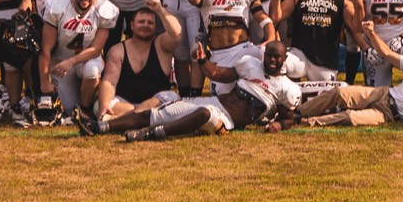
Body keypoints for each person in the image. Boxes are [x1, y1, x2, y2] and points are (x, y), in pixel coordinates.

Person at [123, 42, 308, 141]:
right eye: (269, 55)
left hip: (227, 122)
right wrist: (203, 61)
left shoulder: (288, 88)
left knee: (204, 114)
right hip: (217, 103)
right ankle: (101, 127)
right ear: (264, 54)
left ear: (284, 58)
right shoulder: (250, 64)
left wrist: (279, 125)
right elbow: (218, 74)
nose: (272, 60)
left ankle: (152, 134)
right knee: (158, 113)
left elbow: (288, 118)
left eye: (277, 57)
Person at [285, 34, 403, 127]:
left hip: (389, 114)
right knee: (340, 93)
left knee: (350, 117)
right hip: (382, 94)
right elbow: (388, 54)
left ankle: (303, 122)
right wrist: (372, 34)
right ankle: (297, 112)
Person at [78, 0, 184, 135]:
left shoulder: (162, 45)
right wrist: (104, 106)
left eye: (150, 23)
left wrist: (159, 9)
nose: (145, 25)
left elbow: (176, 33)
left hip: (156, 103)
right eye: (141, 22)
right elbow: (109, 82)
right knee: (101, 104)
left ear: (155, 27)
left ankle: (116, 121)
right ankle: (140, 119)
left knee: (172, 98)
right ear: (132, 26)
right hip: (126, 105)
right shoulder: (118, 50)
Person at [271, 0, 361, 79]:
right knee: (282, 63)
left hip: (326, 62)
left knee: (325, 98)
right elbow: (276, 17)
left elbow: (356, 28)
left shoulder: (343, 0)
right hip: (299, 56)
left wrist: (359, 5)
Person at [40, 0, 119, 115]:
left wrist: (71, 61)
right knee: (67, 110)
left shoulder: (104, 10)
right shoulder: (58, 8)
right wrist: (44, 81)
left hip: (86, 60)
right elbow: (45, 49)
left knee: (92, 69)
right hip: (60, 64)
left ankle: (85, 110)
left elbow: (95, 50)